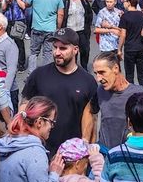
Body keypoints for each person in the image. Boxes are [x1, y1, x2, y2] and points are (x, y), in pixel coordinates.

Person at [23, 28, 100, 156]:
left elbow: (93, 118)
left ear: (75, 50)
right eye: (55, 47)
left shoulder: (88, 81)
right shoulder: (39, 75)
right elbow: (25, 104)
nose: (57, 52)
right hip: (40, 151)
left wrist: (88, 152)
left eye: (63, 48)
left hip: (73, 154)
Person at [92, 52, 143, 151]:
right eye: (96, 73)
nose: (98, 78)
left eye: (102, 72)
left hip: (129, 156)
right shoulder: (100, 90)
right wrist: (88, 140)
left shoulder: (140, 93)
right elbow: (89, 111)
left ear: (115, 68)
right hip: (105, 153)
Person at [28, 0, 64, 67]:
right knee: (47, 53)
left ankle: (31, 75)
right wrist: (58, 27)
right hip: (50, 29)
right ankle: (45, 74)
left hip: (37, 27)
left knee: (34, 53)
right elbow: (61, 14)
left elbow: (27, 4)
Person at [0, 12, 21, 111]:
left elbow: (11, 71)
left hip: (7, 91)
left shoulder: (10, 45)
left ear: (0, 27)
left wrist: (4, 93)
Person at [118, 0, 143, 83]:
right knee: (141, 75)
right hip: (141, 47)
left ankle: (131, 95)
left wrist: (119, 49)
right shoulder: (142, 15)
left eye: (125, 2)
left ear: (129, 3)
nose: (123, 4)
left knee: (129, 75)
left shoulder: (125, 16)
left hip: (130, 48)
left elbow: (123, 34)